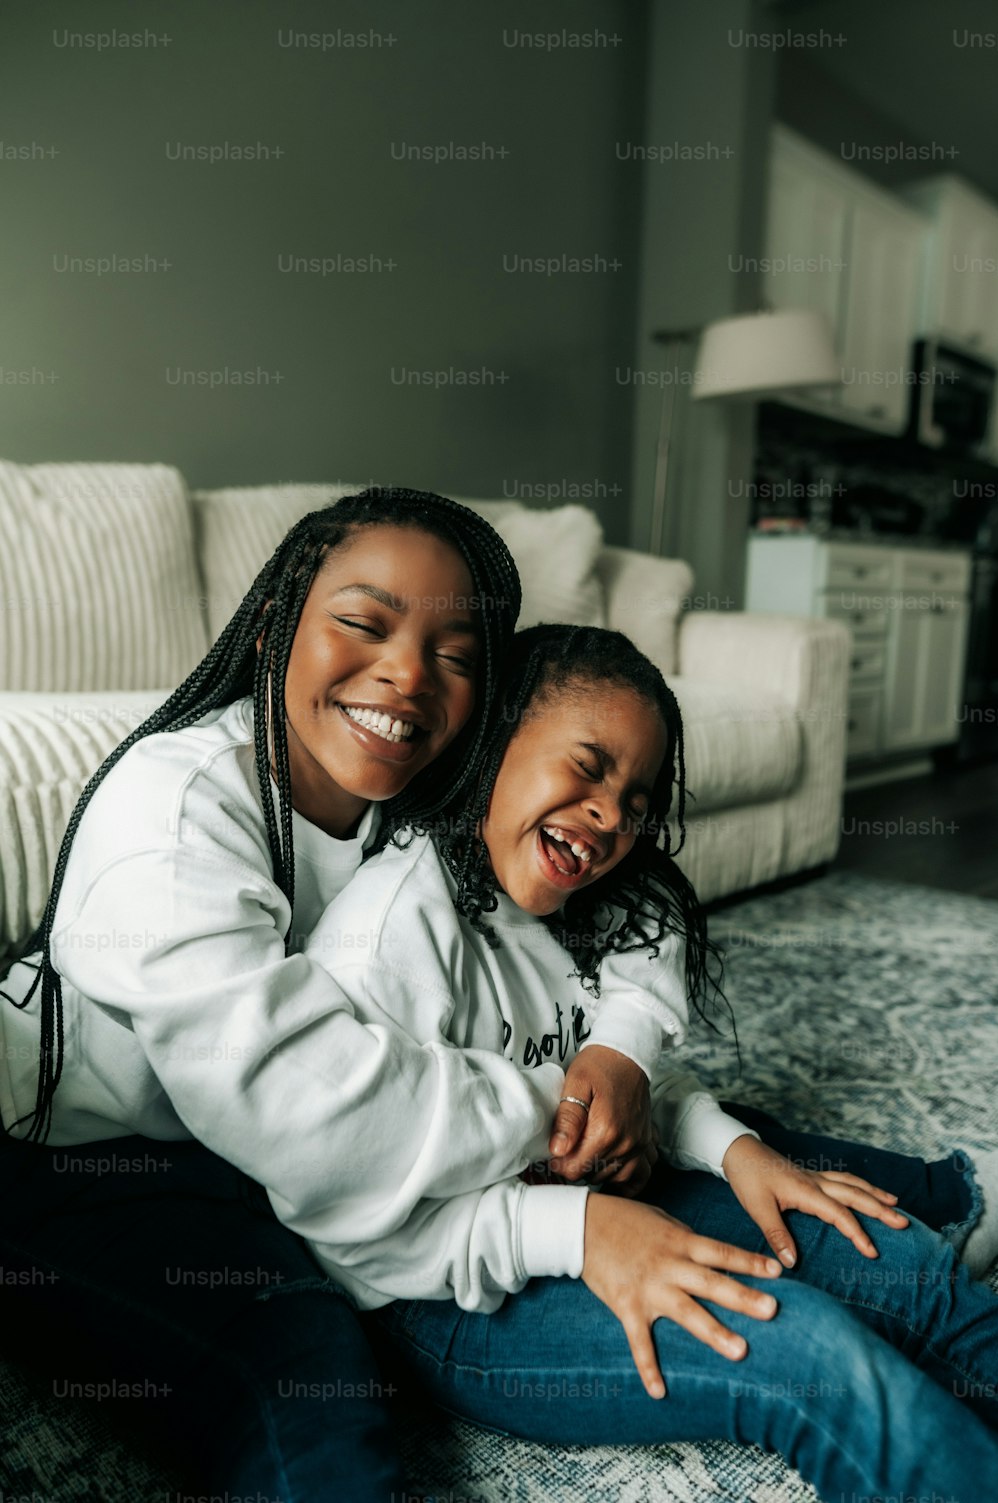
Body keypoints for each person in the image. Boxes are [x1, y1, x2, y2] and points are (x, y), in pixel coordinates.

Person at [0, 490, 656, 1500]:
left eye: (456, 655)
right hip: (80, 1159)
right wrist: (555, 1105)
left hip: (246, 1149)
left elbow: (634, 908)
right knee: (303, 1368)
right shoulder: (173, 814)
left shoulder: (416, 802)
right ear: (274, 625)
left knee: (676, 1122)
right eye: (365, 621)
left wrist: (619, 1051)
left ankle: (936, 1201)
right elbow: (308, 1108)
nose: (406, 672)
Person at [288, 622, 998, 1503]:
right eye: (586, 767)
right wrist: (577, 1229)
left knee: (900, 1261)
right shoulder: (387, 938)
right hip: (454, 1293)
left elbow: (606, 1085)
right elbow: (351, 1229)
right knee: (809, 1355)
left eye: (635, 799)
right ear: (492, 740)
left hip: (604, 1203)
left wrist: (739, 1152)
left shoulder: (574, 899)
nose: (610, 816)